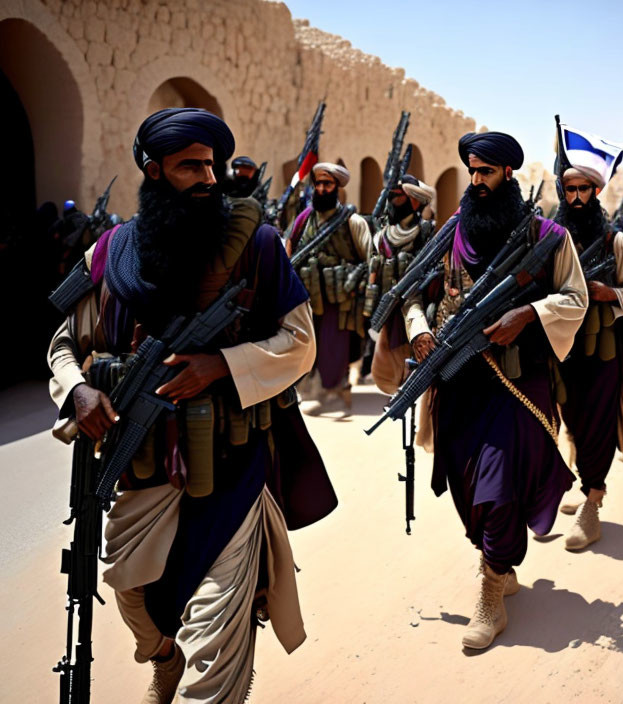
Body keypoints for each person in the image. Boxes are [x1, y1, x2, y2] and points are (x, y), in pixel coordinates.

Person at [47, 107, 336, 703]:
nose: (208, 177)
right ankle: (162, 655)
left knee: (217, 632)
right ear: (154, 173)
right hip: (141, 471)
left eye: (213, 164)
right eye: (190, 167)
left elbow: (300, 342)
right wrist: (78, 389)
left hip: (232, 469)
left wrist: (222, 366)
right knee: (133, 597)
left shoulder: (257, 246)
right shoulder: (108, 254)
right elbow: (64, 342)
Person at [404, 131, 587, 649]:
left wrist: (528, 312)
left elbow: (575, 298)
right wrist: (419, 328)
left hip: (517, 380)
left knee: (497, 484)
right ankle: (496, 559)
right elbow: (416, 293)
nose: (477, 181)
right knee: (467, 488)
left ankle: (490, 590)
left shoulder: (547, 235)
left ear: (508, 174)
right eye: (472, 171)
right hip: (457, 380)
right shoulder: (452, 232)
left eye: (486, 172)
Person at [552, 154, 623, 550]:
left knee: (599, 423)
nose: (575, 197)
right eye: (569, 189)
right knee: (569, 418)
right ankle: (579, 484)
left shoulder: (615, 240)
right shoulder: (551, 237)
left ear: (596, 191)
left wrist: (610, 294)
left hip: (603, 348)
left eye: (583, 189)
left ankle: (592, 502)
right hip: (561, 346)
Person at [285, 162, 371, 415]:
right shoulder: (302, 219)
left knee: (334, 345)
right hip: (306, 296)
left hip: (338, 297)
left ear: (337, 188)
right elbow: (289, 251)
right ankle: (309, 391)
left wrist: (356, 287)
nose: (321, 189)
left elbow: (369, 260)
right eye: (318, 184)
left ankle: (334, 393)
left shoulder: (352, 222)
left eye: (327, 184)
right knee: (304, 343)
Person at [368, 174, 436, 393]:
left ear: (414, 201)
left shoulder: (426, 231)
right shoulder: (381, 237)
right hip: (388, 307)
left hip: (419, 307)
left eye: (398, 196)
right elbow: (373, 270)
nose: (392, 202)